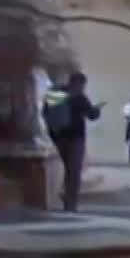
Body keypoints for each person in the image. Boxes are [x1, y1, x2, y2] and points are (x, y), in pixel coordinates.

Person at [41, 71, 101, 212]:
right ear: (79, 83)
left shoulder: (55, 93)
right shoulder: (79, 97)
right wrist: (97, 110)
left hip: (57, 138)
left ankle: (65, 196)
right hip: (75, 138)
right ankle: (70, 203)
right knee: (74, 172)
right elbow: (92, 115)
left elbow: (44, 113)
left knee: (67, 169)